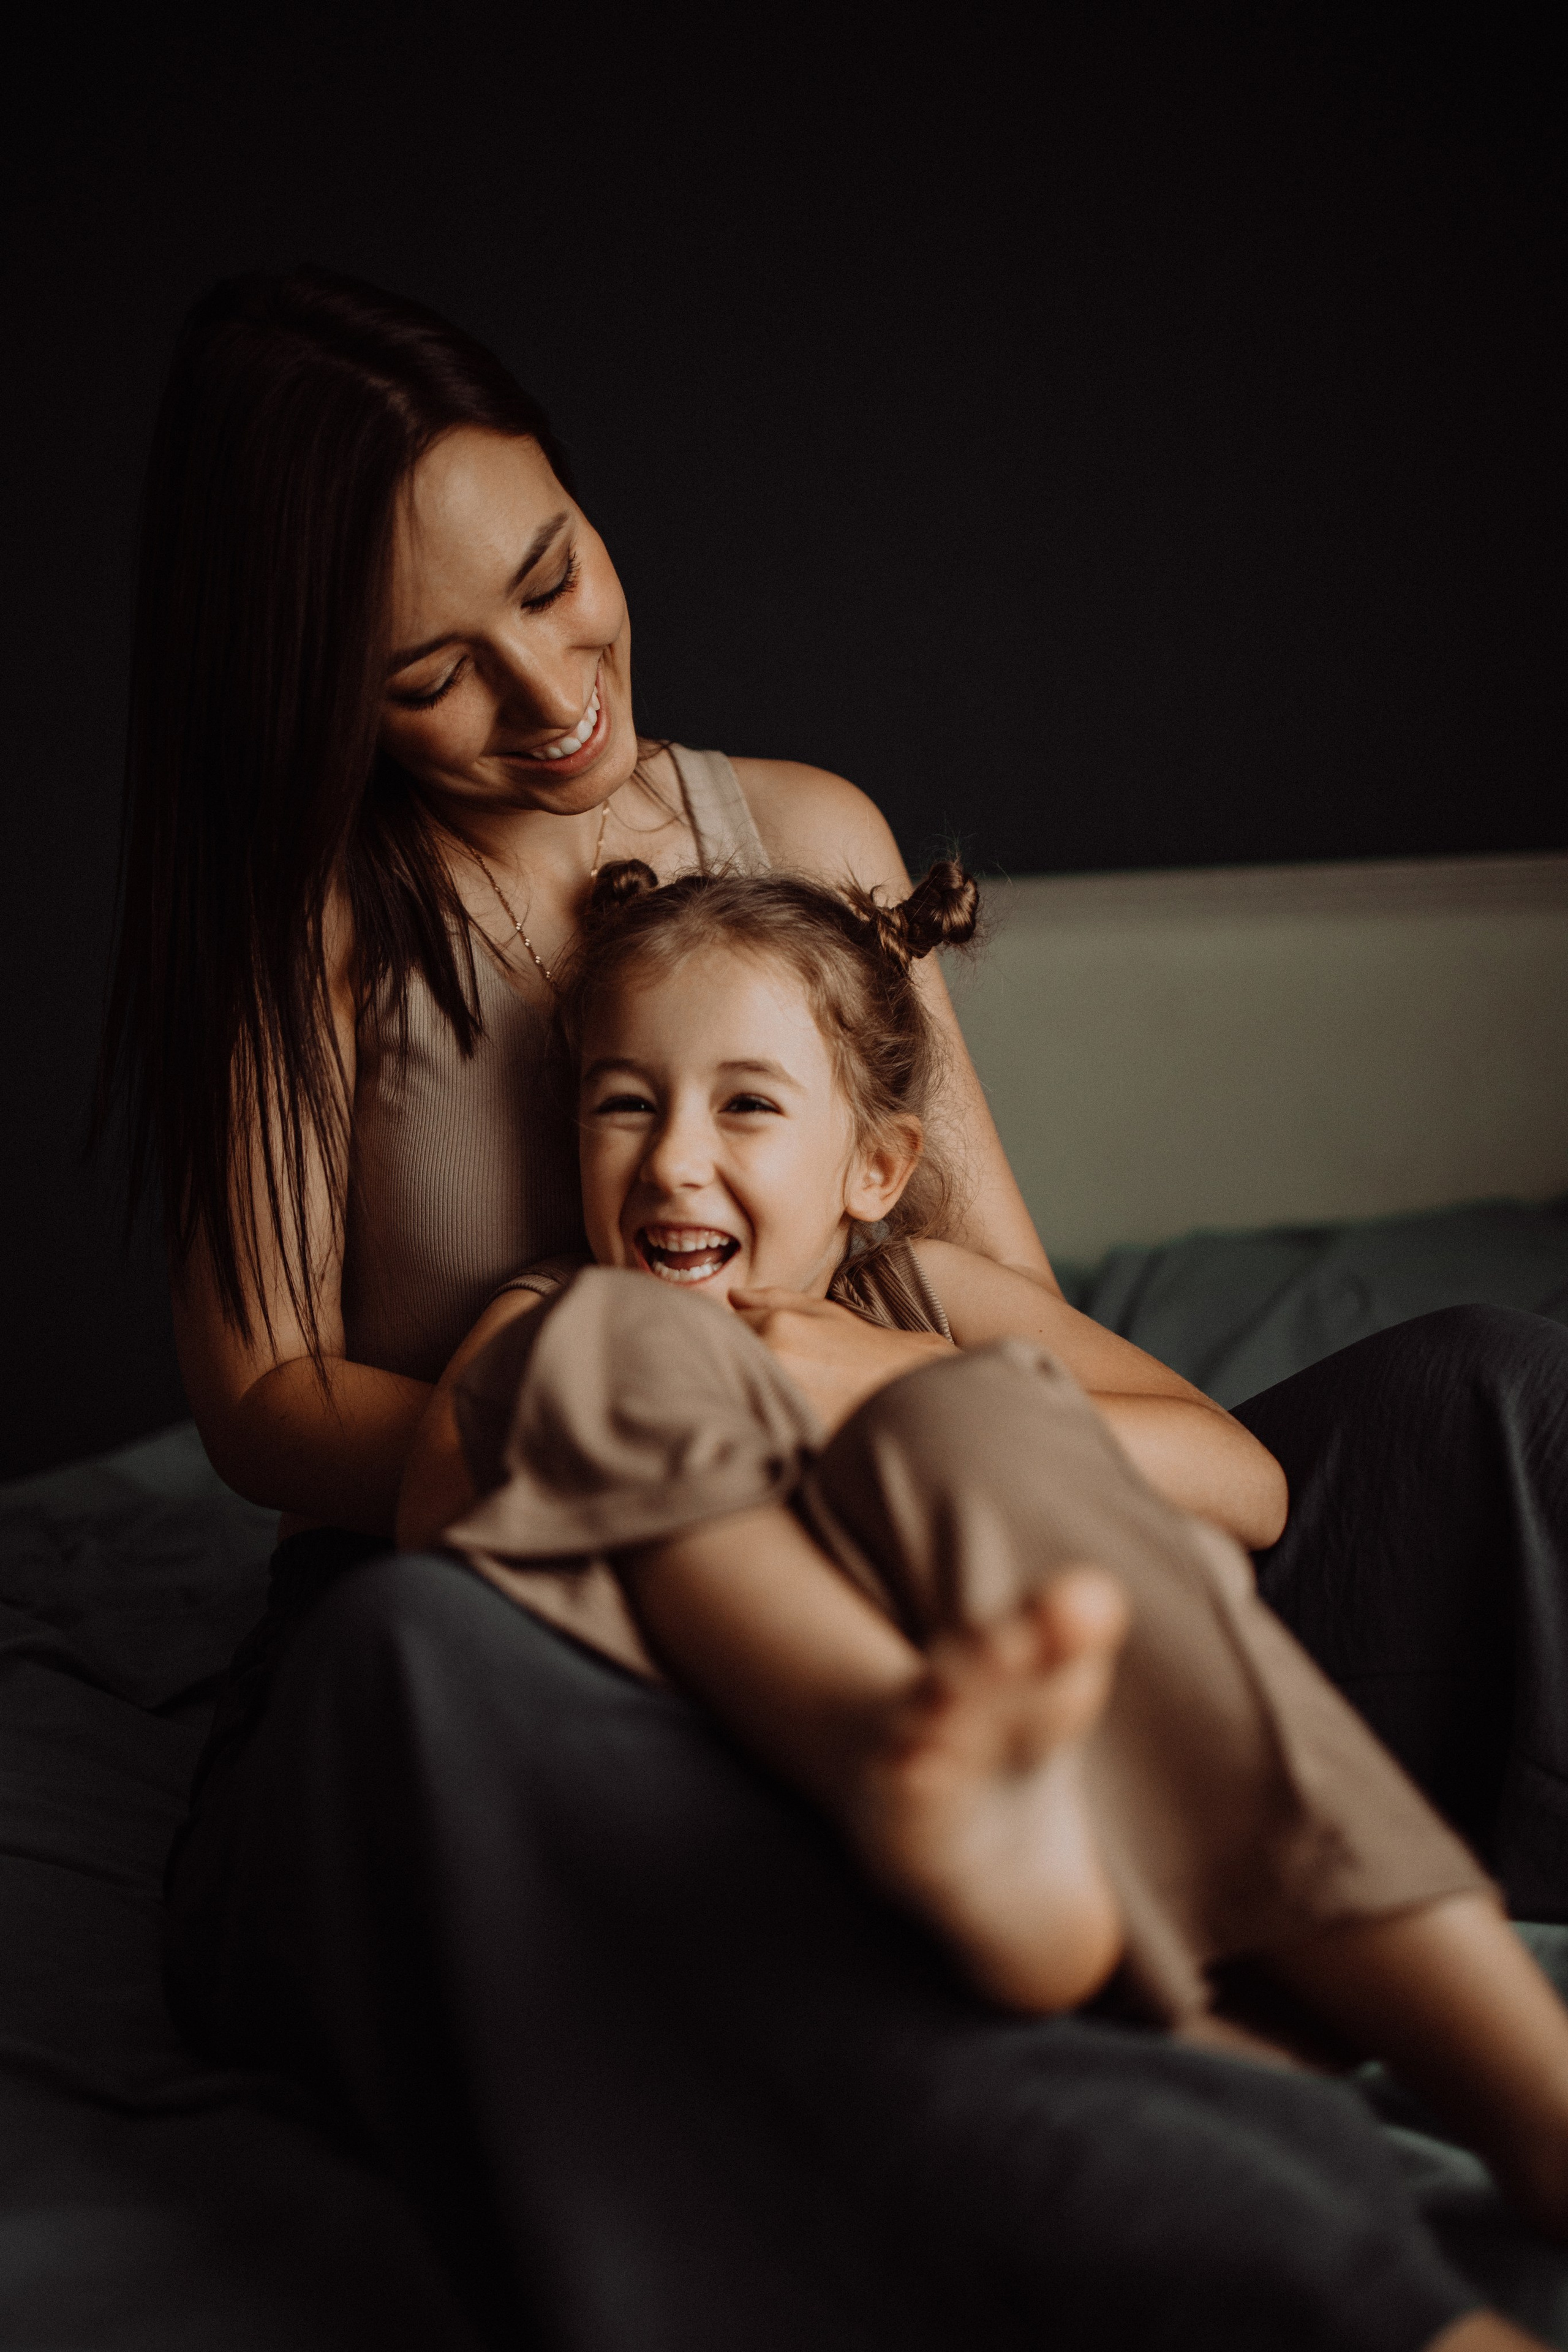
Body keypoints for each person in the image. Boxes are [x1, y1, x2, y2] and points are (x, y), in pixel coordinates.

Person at [91, 265, 1566, 2348]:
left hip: (911, 1535)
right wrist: (572, 1398)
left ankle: (1343, 1977)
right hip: (522, 1611)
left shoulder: (803, 835)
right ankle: (1055, 1975)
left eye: (553, 574)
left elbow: (1014, 1331)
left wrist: (854, 1394)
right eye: (431, 671)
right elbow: (258, 1400)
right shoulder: (316, 938)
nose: (545, 692)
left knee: (1488, 1401)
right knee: (425, 1670)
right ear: (314, 695)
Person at [397, 853, 1568, 2241]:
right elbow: (431, 1509)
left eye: (748, 1107)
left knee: (1455, 1388)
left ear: (873, 1168)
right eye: (623, 1106)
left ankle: (1448, 2064)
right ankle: (1147, 2006)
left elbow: (1245, 1486)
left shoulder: (923, 1294)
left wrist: (883, 1374)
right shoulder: (559, 1309)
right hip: (828, 1758)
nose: (672, 1161)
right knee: (614, 1350)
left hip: (1052, 1703)